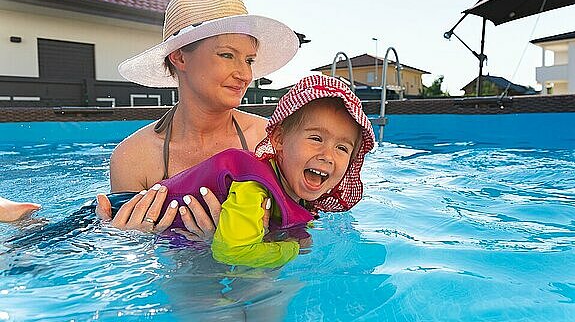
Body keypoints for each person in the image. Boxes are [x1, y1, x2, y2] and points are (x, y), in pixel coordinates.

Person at [94, 0, 301, 236]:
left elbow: (303, 234)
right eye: (227, 55)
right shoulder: (133, 157)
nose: (245, 75)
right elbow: (135, 264)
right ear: (180, 58)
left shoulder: (268, 139)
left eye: (249, 60)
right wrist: (128, 239)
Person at [108, 75, 375, 268]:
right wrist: (294, 247)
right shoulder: (252, 188)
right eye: (316, 139)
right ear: (279, 141)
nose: (327, 155)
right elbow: (232, 252)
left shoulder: (292, 178)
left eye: (342, 148)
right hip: (159, 239)